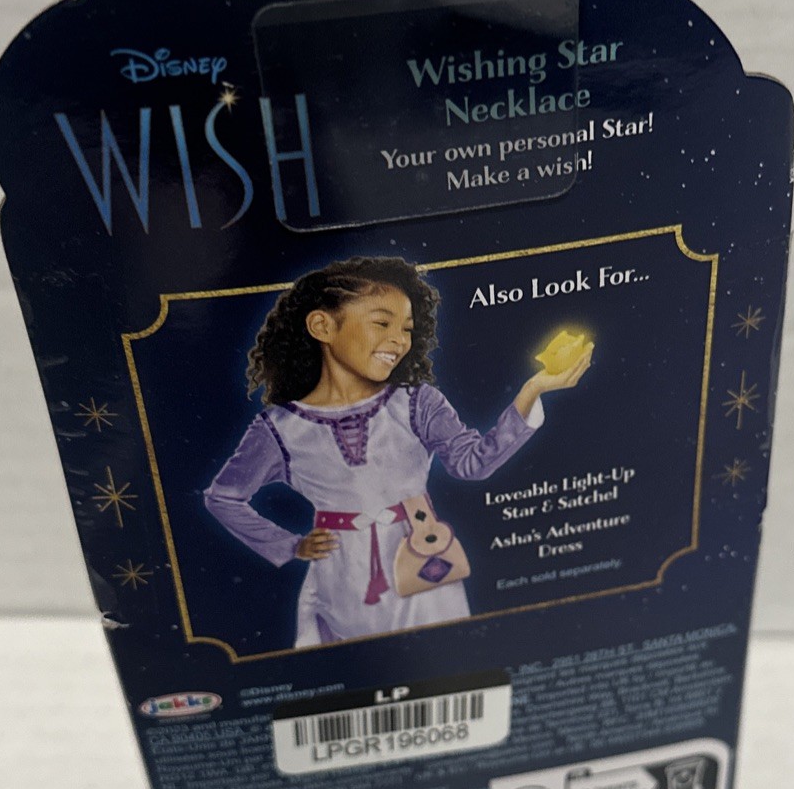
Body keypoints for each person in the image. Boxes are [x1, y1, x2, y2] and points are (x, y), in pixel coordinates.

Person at [203, 256, 591, 647]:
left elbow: (473, 464)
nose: (399, 340)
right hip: (341, 581)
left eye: (407, 328)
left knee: (442, 658)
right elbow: (223, 498)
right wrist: (290, 545)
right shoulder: (279, 428)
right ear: (322, 326)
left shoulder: (417, 403)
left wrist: (532, 391)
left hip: (423, 563)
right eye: (382, 323)